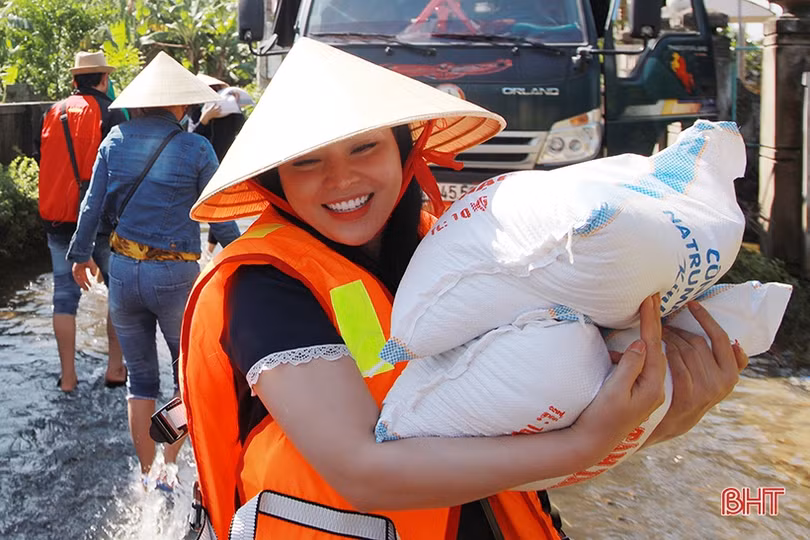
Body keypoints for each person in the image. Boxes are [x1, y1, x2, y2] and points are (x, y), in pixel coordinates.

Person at [180, 38, 748, 539]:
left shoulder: (455, 255)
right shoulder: (265, 284)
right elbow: (360, 472)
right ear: (275, 183)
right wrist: (585, 445)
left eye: (364, 147)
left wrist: (654, 417)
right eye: (306, 163)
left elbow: (525, 417)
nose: (341, 179)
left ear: (406, 151)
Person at [66, 51, 242, 488]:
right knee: (187, 374)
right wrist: (247, 258)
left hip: (124, 271)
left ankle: (146, 476)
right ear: (179, 102)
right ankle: (170, 462)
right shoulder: (196, 147)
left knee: (140, 380)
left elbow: (92, 205)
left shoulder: (115, 139)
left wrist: (80, 254)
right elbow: (220, 218)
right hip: (175, 277)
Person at [35, 50, 127, 393]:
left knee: (63, 296)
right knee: (118, 292)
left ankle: (68, 378)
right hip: (101, 220)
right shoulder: (112, 112)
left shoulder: (52, 112)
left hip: (58, 218)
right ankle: (115, 368)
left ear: (75, 80)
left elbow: (40, 155)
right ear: (104, 79)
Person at [189, 73, 250, 255]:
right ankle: (214, 252)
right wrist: (205, 119)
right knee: (211, 208)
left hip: (224, 164)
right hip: (202, 166)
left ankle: (211, 252)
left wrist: (236, 106)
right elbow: (192, 139)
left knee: (221, 209)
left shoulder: (230, 113)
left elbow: (241, 127)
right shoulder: (197, 112)